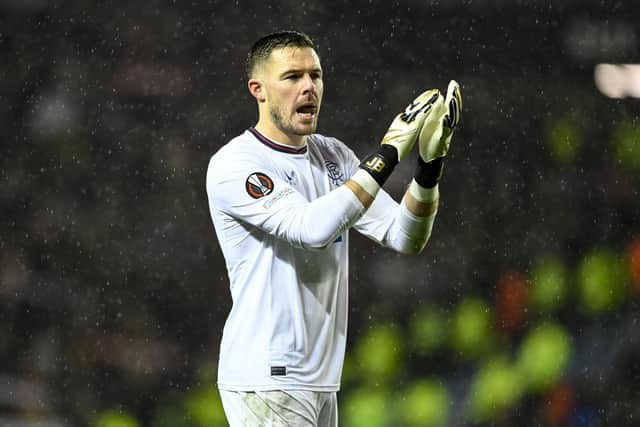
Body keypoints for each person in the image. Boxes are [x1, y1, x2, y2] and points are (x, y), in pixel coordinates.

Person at [205, 30, 461, 426]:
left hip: (319, 381)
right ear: (258, 89)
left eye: (316, 75)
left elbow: (405, 236)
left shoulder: (333, 155)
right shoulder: (235, 165)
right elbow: (310, 229)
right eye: (292, 77)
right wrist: (390, 152)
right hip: (270, 377)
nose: (309, 87)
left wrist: (429, 168)